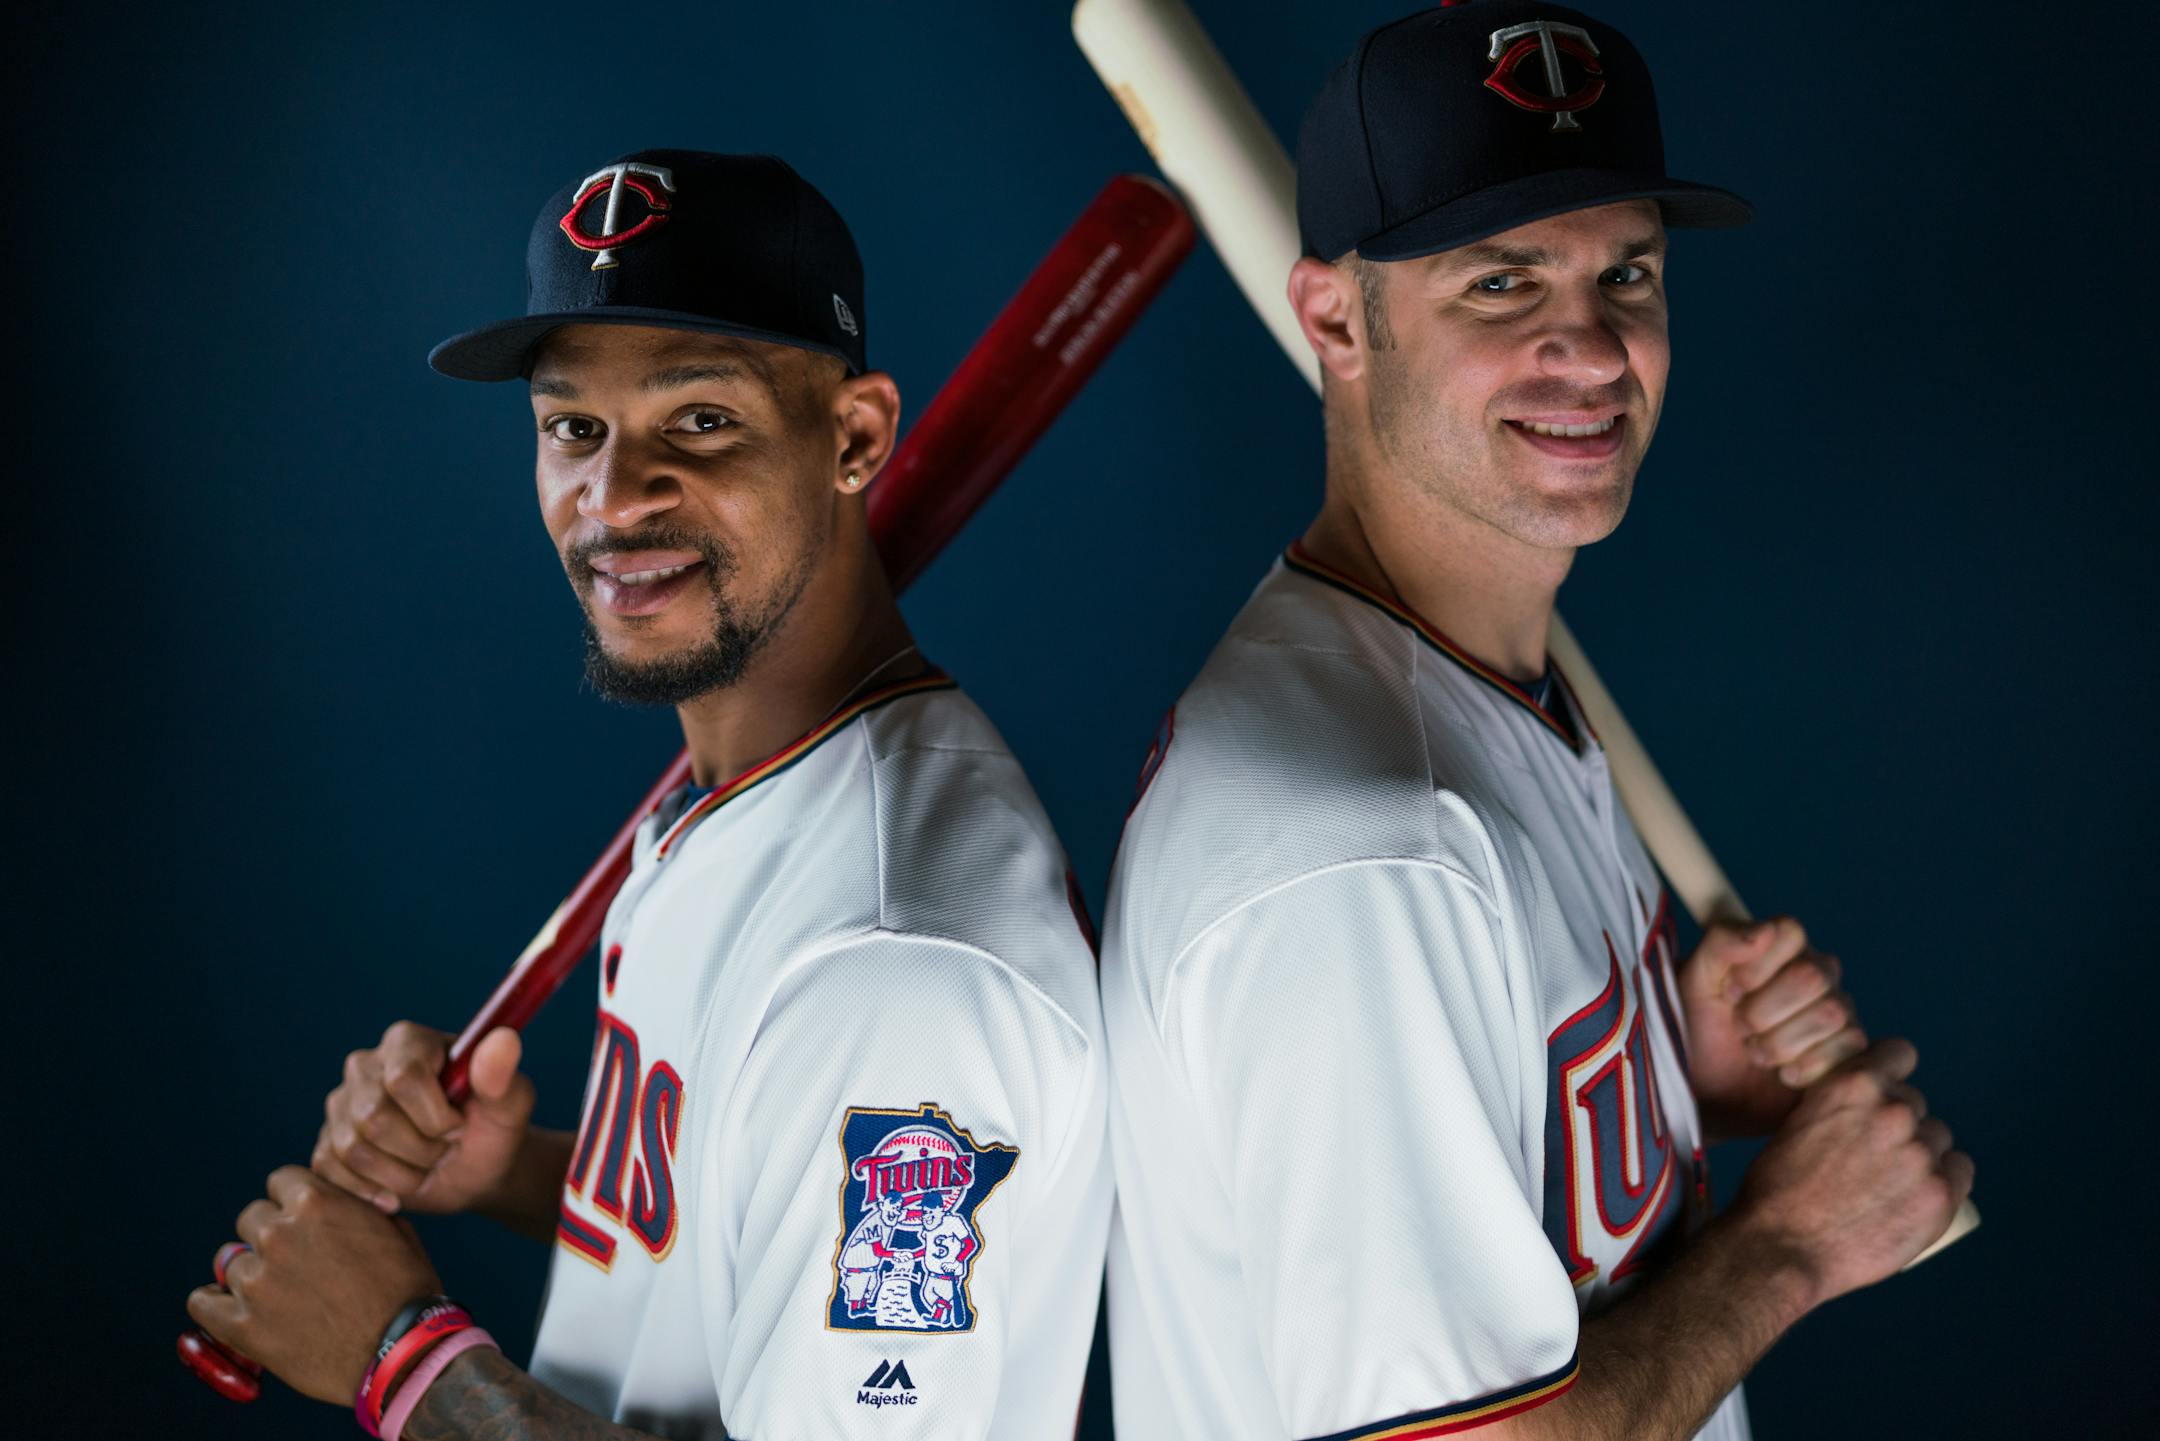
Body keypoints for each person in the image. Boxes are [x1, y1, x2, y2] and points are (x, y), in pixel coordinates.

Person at [1098, 7, 1973, 1440]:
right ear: (1333, 318)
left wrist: (1661, 1090)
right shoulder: (1358, 851)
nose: (1593, 347)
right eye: (1502, 284)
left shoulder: (1470, 677)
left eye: (1625, 271)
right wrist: (1795, 1240)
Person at [187, 148, 1109, 1441]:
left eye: (701, 420)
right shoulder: (744, 798)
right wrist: (514, 1170)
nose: (612, 499)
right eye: (575, 428)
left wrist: (405, 1360)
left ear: (854, 438)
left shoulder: (897, 963)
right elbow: (757, 1220)